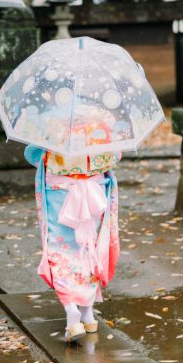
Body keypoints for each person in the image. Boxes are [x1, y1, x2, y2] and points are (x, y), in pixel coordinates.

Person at [24, 146, 121, 342]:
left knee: (61, 250)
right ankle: (88, 314)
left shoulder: (52, 120)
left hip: (59, 190)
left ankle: (71, 311)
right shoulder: (103, 120)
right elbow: (115, 155)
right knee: (89, 249)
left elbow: (33, 154)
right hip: (96, 187)